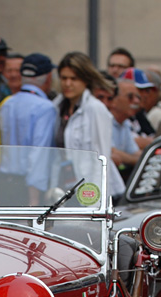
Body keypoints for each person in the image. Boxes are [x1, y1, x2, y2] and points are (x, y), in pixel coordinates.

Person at [53, 51, 121, 196]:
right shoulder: (57, 107)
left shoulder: (95, 109)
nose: (68, 84)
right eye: (64, 78)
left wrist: (94, 202)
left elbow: (101, 158)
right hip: (63, 188)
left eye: (74, 79)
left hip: (88, 191)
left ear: (86, 80)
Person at [0, 53, 58, 203]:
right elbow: (39, 153)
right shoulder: (45, 108)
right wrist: (34, 201)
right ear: (49, 77)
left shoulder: (7, 104)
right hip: (28, 189)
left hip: (5, 183)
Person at [110, 77, 141, 181]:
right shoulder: (105, 121)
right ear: (114, 100)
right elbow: (112, 153)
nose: (136, 101)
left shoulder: (125, 123)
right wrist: (138, 160)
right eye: (130, 97)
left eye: (137, 97)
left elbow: (134, 152)